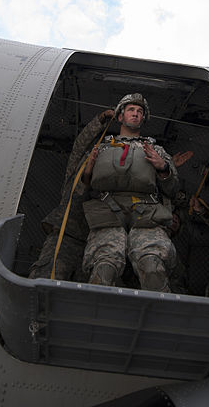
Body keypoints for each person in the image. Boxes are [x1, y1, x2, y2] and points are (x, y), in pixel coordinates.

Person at [81, 93, 178, 292]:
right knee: (104, 268)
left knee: (152, 266)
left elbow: (173, 189)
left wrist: (163, 168)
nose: (136, 114)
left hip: (147, 214)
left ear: (143, 119)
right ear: (120, 116)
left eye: (140, 111)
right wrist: (87, 172)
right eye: (131, 110)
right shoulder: (100, 148)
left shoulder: (156, 151)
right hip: (106, 213)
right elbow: (79, 190)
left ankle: (161, 318)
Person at [28, 109, 114, 280]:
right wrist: (100, 120)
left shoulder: (108, 187)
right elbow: (80, 145)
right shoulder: (75, 174)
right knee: (47, 282)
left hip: (92, 245)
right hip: (63, 238)